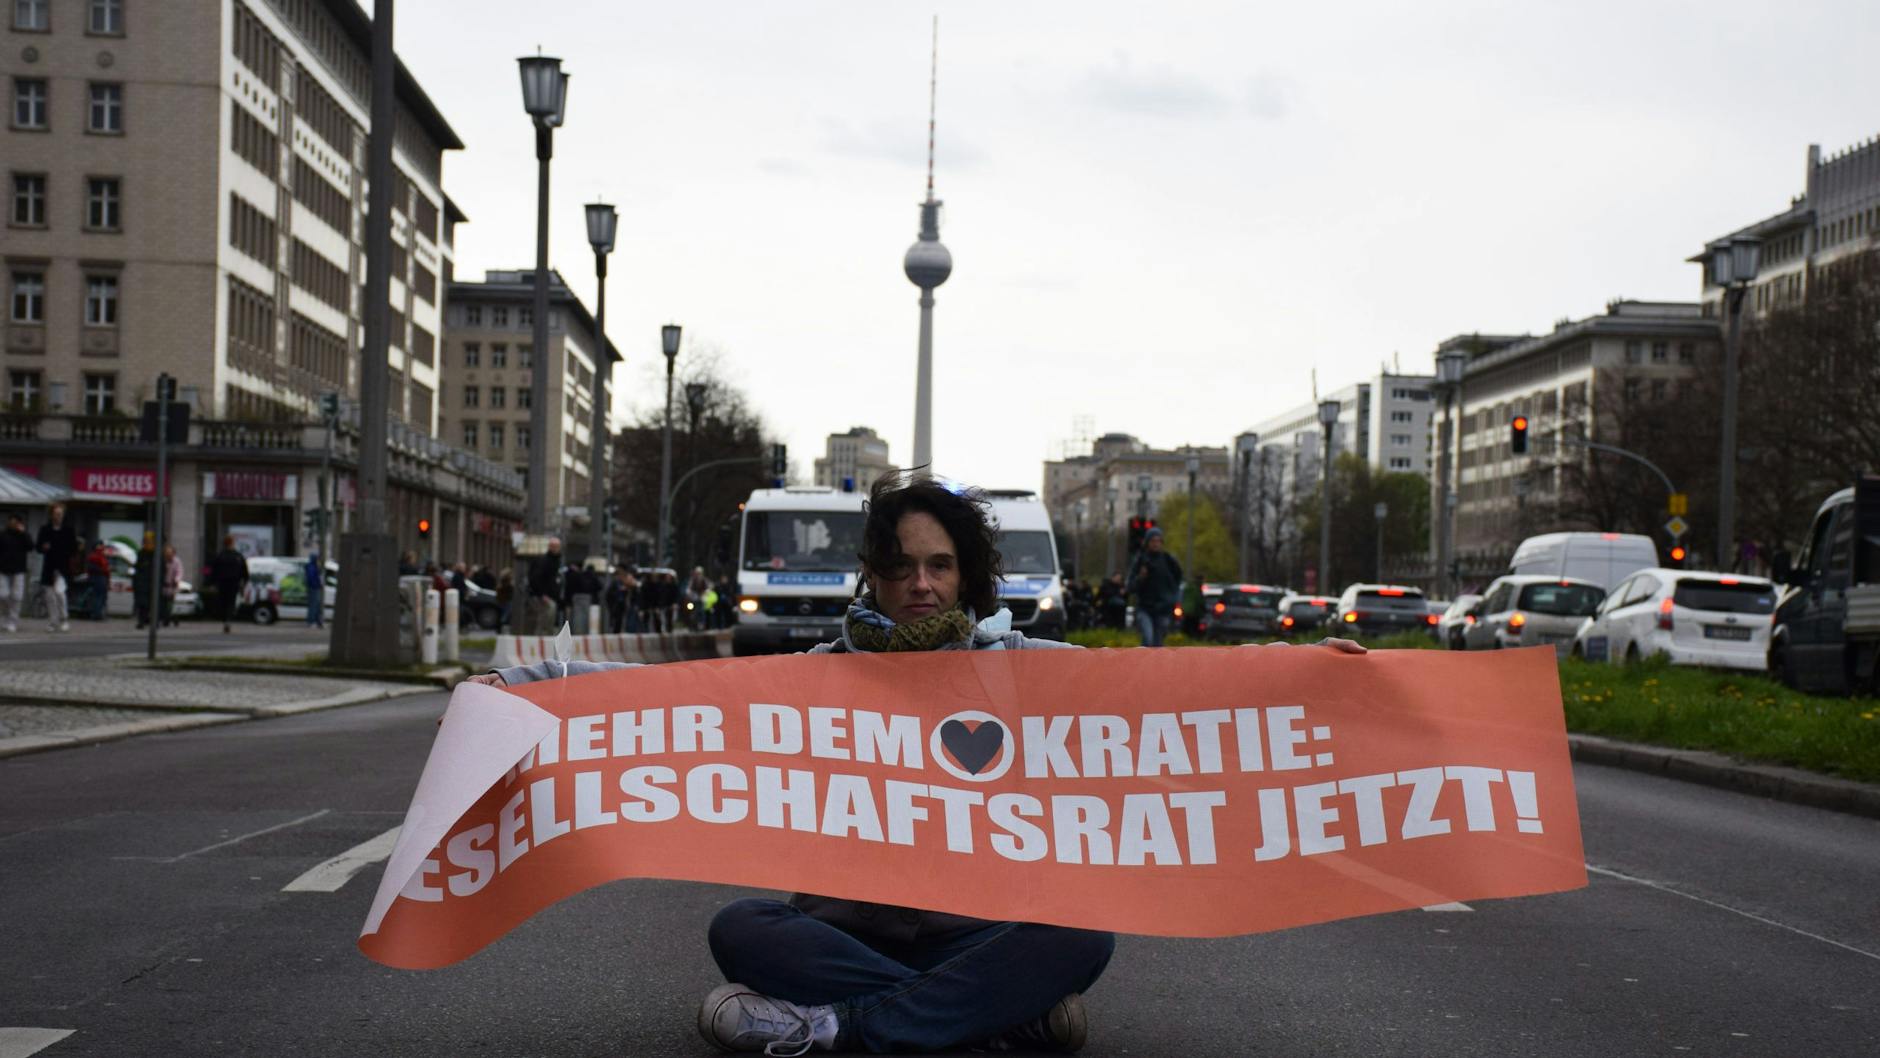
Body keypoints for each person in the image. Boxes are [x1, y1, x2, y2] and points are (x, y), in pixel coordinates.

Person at [465, 474, 1365, 1054]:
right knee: (741, 930)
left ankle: (835, 1030)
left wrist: (1310, 675)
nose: (920, 584)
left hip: (979, 926)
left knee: (1082, 935)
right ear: (874, 576)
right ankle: (994, 1021)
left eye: (939, 566)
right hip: (841, 931)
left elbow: (1181, 695)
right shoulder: (821, 678)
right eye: (901, 568)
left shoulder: (1033, 673)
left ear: (969, 578)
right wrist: (526, 682)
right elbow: (663, 704)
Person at [1127, 528, 1182, 647]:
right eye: (1152, 540)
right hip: (1145, 608)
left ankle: (1156, 665)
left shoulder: (1168, 560)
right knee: (1148, 638)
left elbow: (1177, 579)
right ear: (1147, 543)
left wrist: (1172, 598)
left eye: (1158, 541)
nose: (1156, 544)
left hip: (1163, 609)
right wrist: (1140, 578)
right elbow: (1130, 586)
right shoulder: (1141, 560)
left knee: (1158, 644)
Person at [36, 503, 77, 633]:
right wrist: (44, 547)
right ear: (51, 515)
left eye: (60, 514)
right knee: (49, 596)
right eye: (56, 514)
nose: (58, 516)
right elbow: (38, 547)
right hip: (49, 566)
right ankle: (53, 621)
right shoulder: (45, 529)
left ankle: (64, 618)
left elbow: (74, 548)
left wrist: (66, 552)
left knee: (60, 593)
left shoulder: (68, 530)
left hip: (62, 567)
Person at [210, 536, 249, 633]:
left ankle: (225, 619)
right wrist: (244, 582)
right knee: (231, 603)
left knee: (223, 602)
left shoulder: (220, 556)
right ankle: (228, 620)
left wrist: (212, 583)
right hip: (234, 583)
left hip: (222, 583)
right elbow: (244, 572)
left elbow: (214, 571)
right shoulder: (238, 556)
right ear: (232, 543)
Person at [1, 512, 32, 632]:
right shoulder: (3, 535)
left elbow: (31, 546)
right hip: (3, 569)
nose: (13, 524)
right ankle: (5, 616)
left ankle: (13, 621)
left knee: (17, 596)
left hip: (19, 570)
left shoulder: (23, 535)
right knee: (3, 595)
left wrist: (24, 533)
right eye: (11, 521)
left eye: (16, 522)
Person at [525, 539, 563, 634]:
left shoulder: (556, 561)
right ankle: (541, 638)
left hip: (549, 595)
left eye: (557, 546)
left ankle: (544, 636)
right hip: (542, 596)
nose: (556, 549)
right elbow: (535, 578)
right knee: (546, 616)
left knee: (547, 616)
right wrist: (541, 594)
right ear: (549, 547)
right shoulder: (545, 561)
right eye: (554, 546)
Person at [132, 534, 157, 629]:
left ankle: (149, 619)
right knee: (142, 603)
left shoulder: (156, 554)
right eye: (146, 542)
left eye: (149, 542)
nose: (147, 544)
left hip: (151, 583)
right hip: (142, 583)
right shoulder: (141, 553)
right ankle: (142, 620)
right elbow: (138, 568)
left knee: (150, 603)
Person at [84, 540, 112, 620]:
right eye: (100, 545)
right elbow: (92, 568)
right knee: (98, 597)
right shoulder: (95, 556)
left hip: (102, 578)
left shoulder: (101, 555)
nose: (102, 546)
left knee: (101, 597)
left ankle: (99, 614)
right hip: (98, 578)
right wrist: (104, 569)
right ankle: (96, 614)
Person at [161, 543, 183, 627]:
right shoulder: (163, 561)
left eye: (170, 554)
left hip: (172, 585)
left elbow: (179, 571)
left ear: (173, 554)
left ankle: (170, 618)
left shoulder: (176, 561)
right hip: (163, 585)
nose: (168, 556)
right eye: (167, 554)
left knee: (170, 603)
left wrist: (176, 580)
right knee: (163, 603)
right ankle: (166, 618)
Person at [304, 552, 325, 628]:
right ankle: (311, 621)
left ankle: (317, 621)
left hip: (315, 587)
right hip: (314, 588)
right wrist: (317, 584)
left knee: (317, 605)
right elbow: (312, 578)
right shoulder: (312, 567)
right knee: (313, 605)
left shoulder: (314, 566)